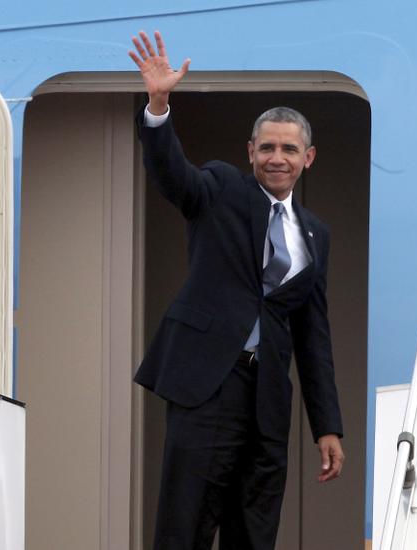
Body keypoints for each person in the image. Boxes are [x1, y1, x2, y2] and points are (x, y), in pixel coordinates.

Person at [128, 31, 344, 549]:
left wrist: (327, 426)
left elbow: (313, 336)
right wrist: (158, 107)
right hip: (208, 383)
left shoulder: (316, 234)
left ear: (308, 157)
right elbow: (173, 176)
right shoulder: (221, 187)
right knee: (187, 523)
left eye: (288, 149)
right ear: (250, 152)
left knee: (255, 527)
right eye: (266, 147)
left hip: (267, 396)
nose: (277, 157)